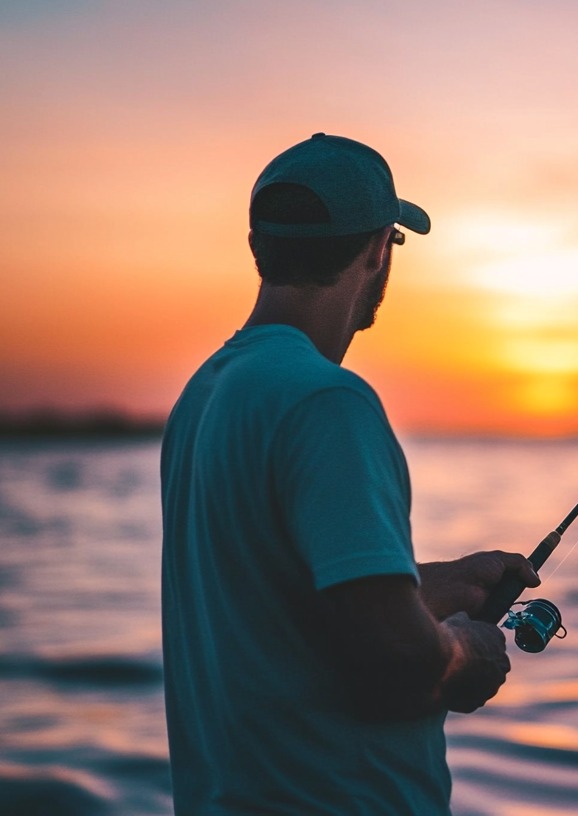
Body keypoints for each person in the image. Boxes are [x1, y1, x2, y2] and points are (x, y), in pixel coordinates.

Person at [160, 132, 539, 814]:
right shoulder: (327, 402)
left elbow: (279, 609)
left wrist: (431, 583)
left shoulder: (204, 398)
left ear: (259, 250)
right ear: (375, 249)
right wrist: (464, 652)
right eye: (391, 242)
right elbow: (394, 656)